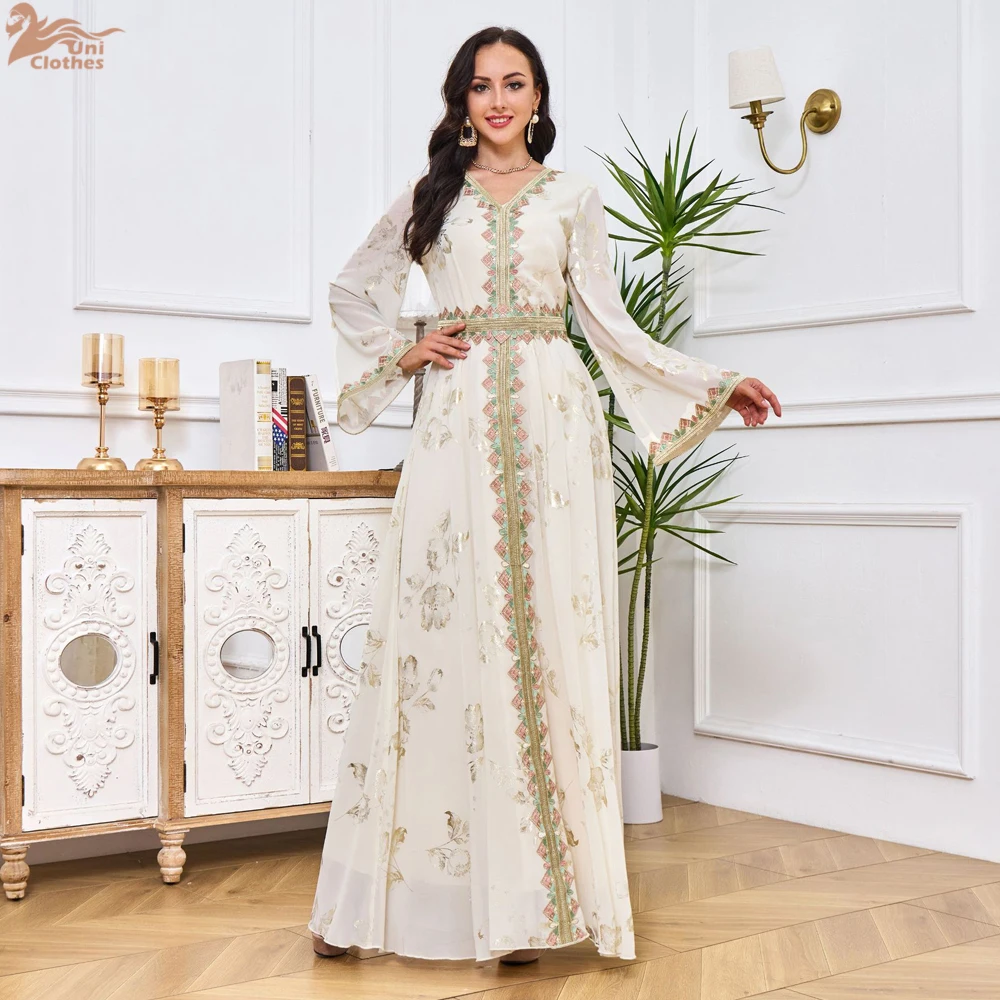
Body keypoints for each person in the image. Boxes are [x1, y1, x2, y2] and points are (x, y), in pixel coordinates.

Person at [309, 25, 780, 965]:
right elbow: (352, 291)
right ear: (462, 100)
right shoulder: (432, 196)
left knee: (545, 643)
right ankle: (375, 907)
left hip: (554, 426)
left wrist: (713, 383)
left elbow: (610, 326)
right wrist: (409, 348)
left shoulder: (571, 197)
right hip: (455, 426)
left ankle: (526, 905)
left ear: (537, 97)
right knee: (444, 642)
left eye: (514, 83)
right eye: (481, 85)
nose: (497, 100)